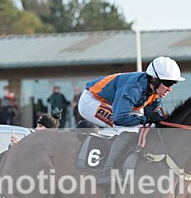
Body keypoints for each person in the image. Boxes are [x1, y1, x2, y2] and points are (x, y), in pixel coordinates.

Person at [77, 56, 184, 185]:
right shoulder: (134, 88)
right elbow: (120, 118)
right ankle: (107, 172)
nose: (170, 88)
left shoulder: (154, 92)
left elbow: (152, 118)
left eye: (173, 84)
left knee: (145, 127)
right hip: (91, 101)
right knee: (128, 128)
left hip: (112, 103)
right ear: (155, 80)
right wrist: (146, 118)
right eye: (168, 83)